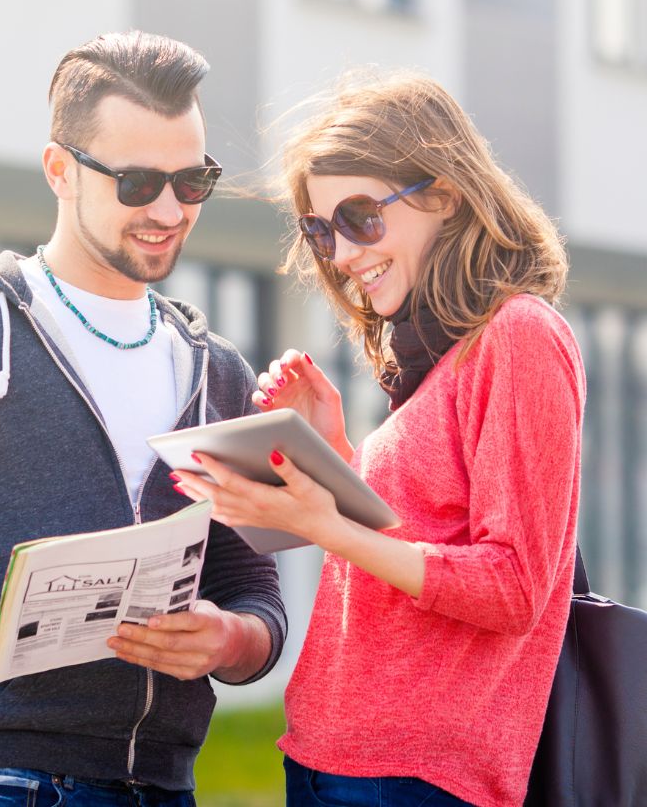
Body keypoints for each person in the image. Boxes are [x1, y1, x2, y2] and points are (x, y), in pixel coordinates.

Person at [0, 30, 287, 806]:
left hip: (168, 786)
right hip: (6, 782)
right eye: (137, 182)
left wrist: (231, 639)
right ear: (60, 171)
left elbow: (255, 588)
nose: (169, 210)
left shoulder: (218, 372)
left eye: (192, 180)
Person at [172, 72, 583, 807]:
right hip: (338, 761)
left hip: (419, 779)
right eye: (320, 230)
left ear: (444, 194)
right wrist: (335, 460)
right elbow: (415, 544)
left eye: (360, 216)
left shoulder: (520, 336)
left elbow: (515, 585)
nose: (341, 253)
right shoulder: (439, 360)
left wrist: (325, 520)